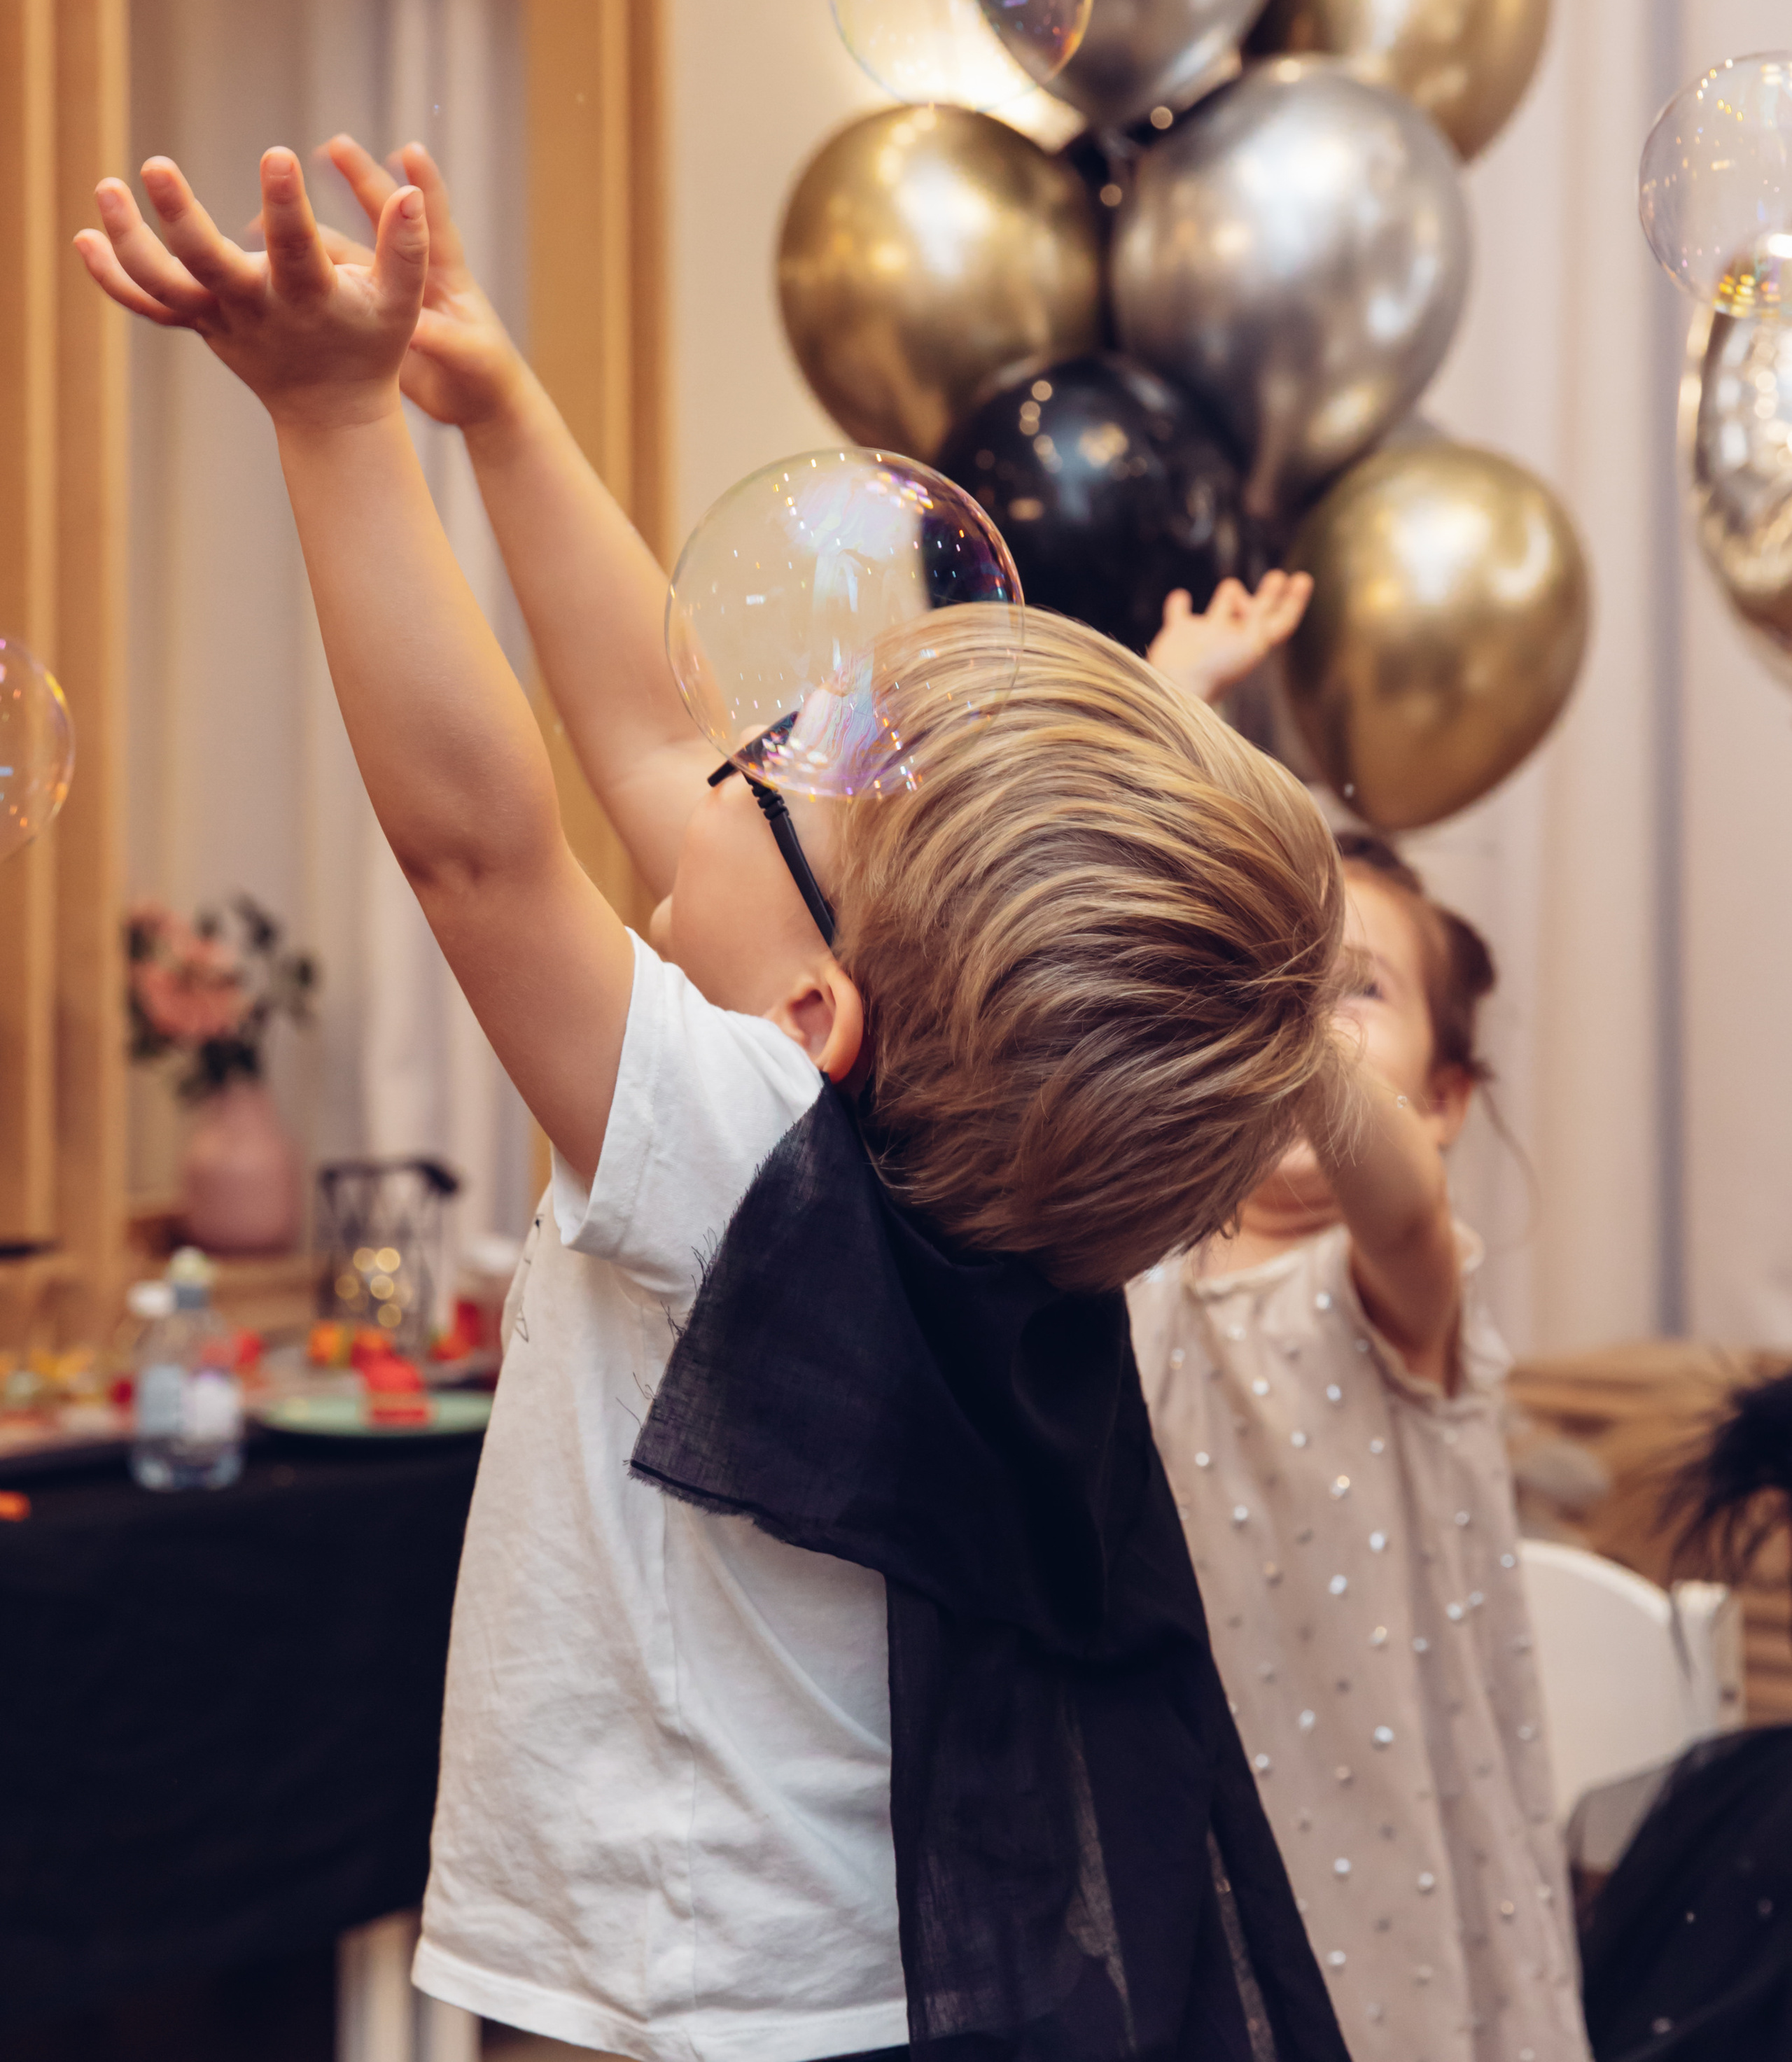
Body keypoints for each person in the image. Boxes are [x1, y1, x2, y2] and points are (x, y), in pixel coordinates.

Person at [78, 141, 1385, 2062]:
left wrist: (338, 420)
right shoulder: (950, 1199)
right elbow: (656, 729)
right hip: (833, 1968)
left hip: (666, 1996)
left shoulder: (748, 1161)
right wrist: (504, 411)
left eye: (790, 774)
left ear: (816, 1013)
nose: (741, 755)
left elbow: (480, 854)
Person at [1126, 654, 1590, 2062]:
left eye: (1353, 991)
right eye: (1275, 980)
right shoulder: (1135, 1272)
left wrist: (1269, 982)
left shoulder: (1388, 1292)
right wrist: (1164, 752)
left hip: (1375, 1904)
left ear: (1441, 1101)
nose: (1301, 1009)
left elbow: (1388, 1194)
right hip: (1170, 1872)